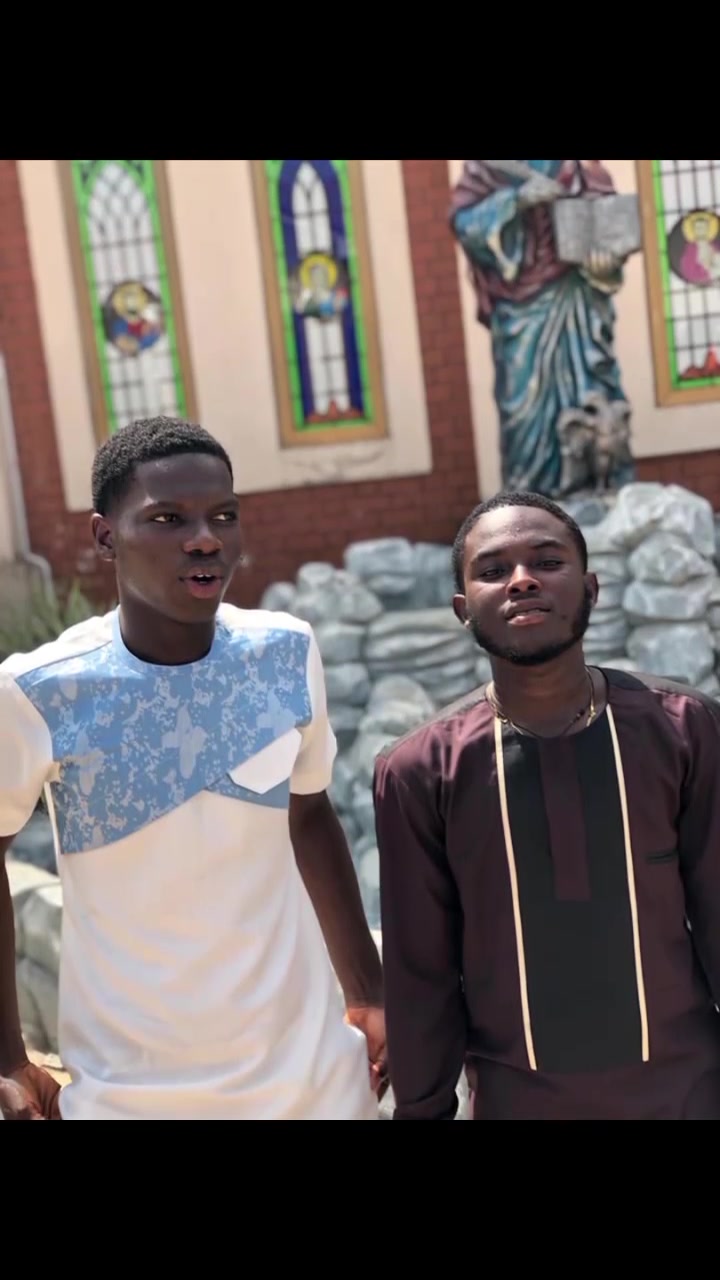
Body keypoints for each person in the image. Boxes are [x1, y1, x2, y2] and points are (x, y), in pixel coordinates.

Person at [0, 416, 385, 1120]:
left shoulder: (286, 654)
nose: (205, 538)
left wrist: (369, 992)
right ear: (105, 537)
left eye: (224, 516)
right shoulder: (43, 691)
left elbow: (310, 813)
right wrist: (7, 1057)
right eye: (168, 519)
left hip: (314, 1083)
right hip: (128, 1095)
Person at [373, 490, 720, 1120]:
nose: (522, 580)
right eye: (493, 570)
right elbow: (420, 974)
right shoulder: (420, 771)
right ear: (462, 609)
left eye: (547, 561)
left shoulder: (684, 729)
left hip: (688, 1095)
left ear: (591, 589)